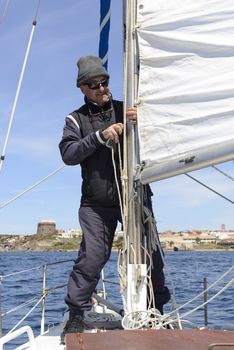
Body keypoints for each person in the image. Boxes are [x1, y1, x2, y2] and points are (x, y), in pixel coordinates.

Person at [59, 55, 170, 341]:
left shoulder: (126, 110)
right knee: (92, 258)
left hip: (134, 196)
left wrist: (139, 124)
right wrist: (99, 136)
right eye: (93, 84)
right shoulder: (75, 119)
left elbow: (157, 139)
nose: (101, 88)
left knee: (151, 256)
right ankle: (76, 314)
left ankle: (156, 309)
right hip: (96, 204)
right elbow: (69, 155)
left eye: (104, 82)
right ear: (83, 88)